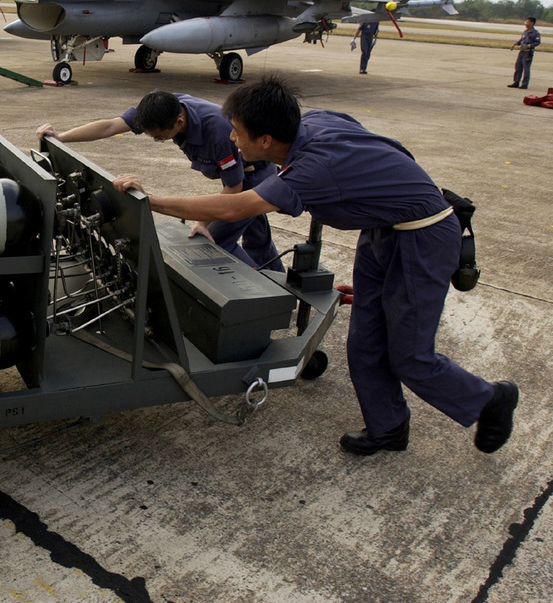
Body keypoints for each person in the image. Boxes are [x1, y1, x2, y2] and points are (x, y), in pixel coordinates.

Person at [112, 76, 518, 456]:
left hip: (423, 238)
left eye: (236, 132)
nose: (232, 138)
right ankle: (388, 426)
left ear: (267, 140)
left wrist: (153, 201)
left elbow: (237, 207)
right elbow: (392, 148)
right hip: (382, 230)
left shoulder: (313, 168)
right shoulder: (317, 122)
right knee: (365, 340)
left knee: (410, 353)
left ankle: (490, 398)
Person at [37, 91, 283, 272]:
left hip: (255, 177)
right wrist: (61, 138)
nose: (156, 139)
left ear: (178, 123)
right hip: (244, 174)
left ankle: (263, 296)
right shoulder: (160, 107)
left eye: (159, 137)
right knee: (256, 235)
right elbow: (110, 126)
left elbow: (234, 188)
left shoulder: (217, 132)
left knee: (216, 242)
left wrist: (201, 223)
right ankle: (280, 282)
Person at [509, 16, 541, 90]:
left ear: (532, 23)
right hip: (522, 52)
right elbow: (521, 40)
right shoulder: (525, 32)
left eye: (527, 22)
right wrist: (516, 43)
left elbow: (537, 42)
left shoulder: (535, 33)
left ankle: (524, 84)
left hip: (528, 52)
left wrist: (530, 46)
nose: (526, 23)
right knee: (518, 67)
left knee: (526, 68)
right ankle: (516, 82)